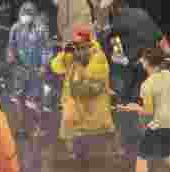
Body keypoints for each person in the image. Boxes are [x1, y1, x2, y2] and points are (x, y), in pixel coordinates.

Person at [50, 27, 122, 160]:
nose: (78, 47)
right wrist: (64, 54)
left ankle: (116, 149)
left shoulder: (98, 55)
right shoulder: (71, 53)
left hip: (95, 100)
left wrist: (81, 62)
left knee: (105, 127)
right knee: (68, 124)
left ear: (88, 43)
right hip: (74, 98)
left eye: (81, 45)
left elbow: (95, 74)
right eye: (76, 44)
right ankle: (72, 154)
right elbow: (56, 67)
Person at [7, 2, 53, 137]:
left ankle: (38, 127)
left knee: (37, 99)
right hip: (20, 69)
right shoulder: (15, 28)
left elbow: (47, 49)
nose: (25, 16)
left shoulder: (41, 29)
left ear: (34, 15)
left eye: (28, 14)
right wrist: (10, 56)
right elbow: (11, 45)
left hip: (36, 69)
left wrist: (44, 65)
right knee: (19, 97)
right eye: (24, 13)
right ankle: (21, 127)